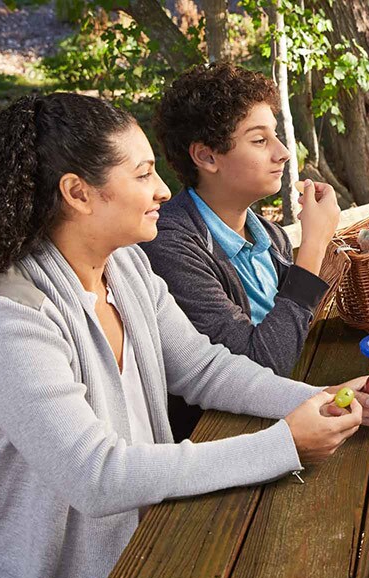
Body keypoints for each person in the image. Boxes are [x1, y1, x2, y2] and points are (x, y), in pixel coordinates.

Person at [0, 93, 369, 578]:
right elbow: (97, 475)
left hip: (146, 556)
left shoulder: (127, 266)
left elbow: (204, 368)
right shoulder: (8, 318)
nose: (161, 191)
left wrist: (317, 397)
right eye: (142, 175)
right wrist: (283, 444)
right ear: (78, 193)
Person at [141, 63, 340, 440]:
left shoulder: (270, 237)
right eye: (259, 140)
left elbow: (295, 331)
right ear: (207, 157)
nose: (282, 153)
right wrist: (314, 245)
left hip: (287, 421)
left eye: (276, 136)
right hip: (219, 445)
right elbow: (261, 366)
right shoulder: (171, 246)